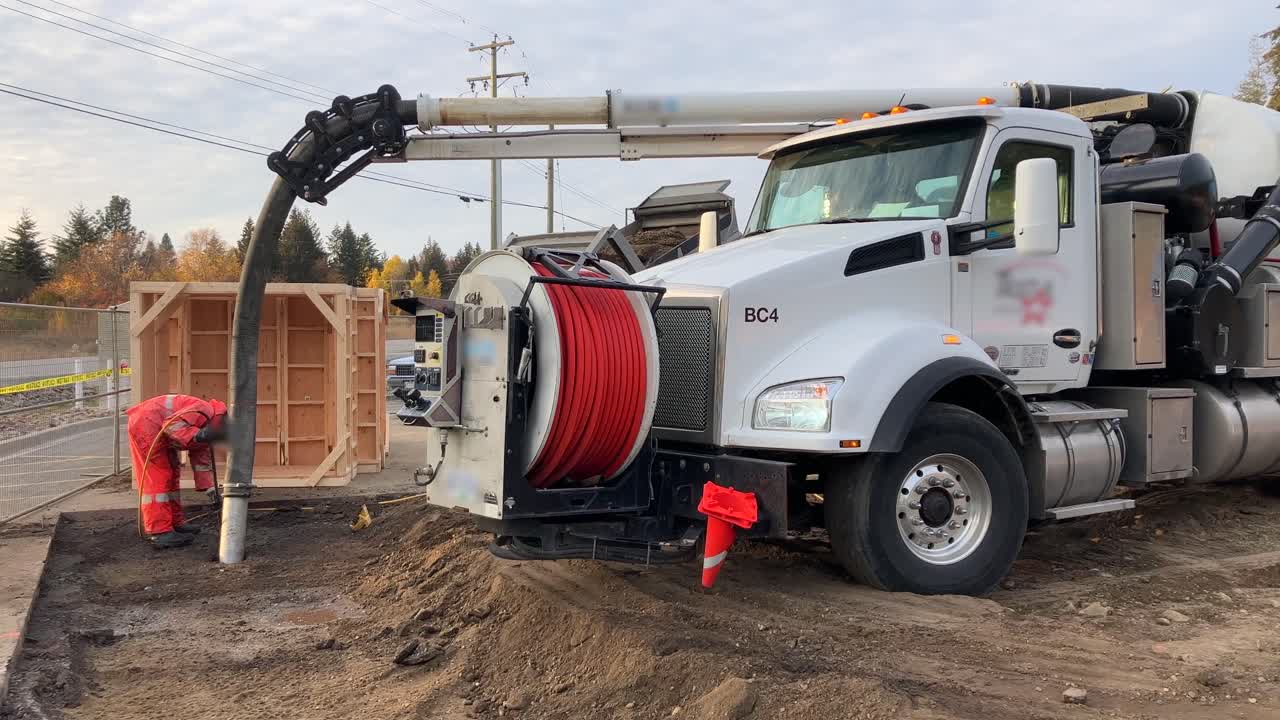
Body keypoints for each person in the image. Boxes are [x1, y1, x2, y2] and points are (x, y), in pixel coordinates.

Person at [126, 393, 228, 548]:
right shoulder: (204, 410)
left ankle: (174, 523)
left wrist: (210, 489)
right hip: (146, 423)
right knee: (158, 476)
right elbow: (171, 425)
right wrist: (197, 434)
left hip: (154, 425)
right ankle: (159, 532)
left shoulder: (207, 426)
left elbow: (201, 458)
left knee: (172, 473)